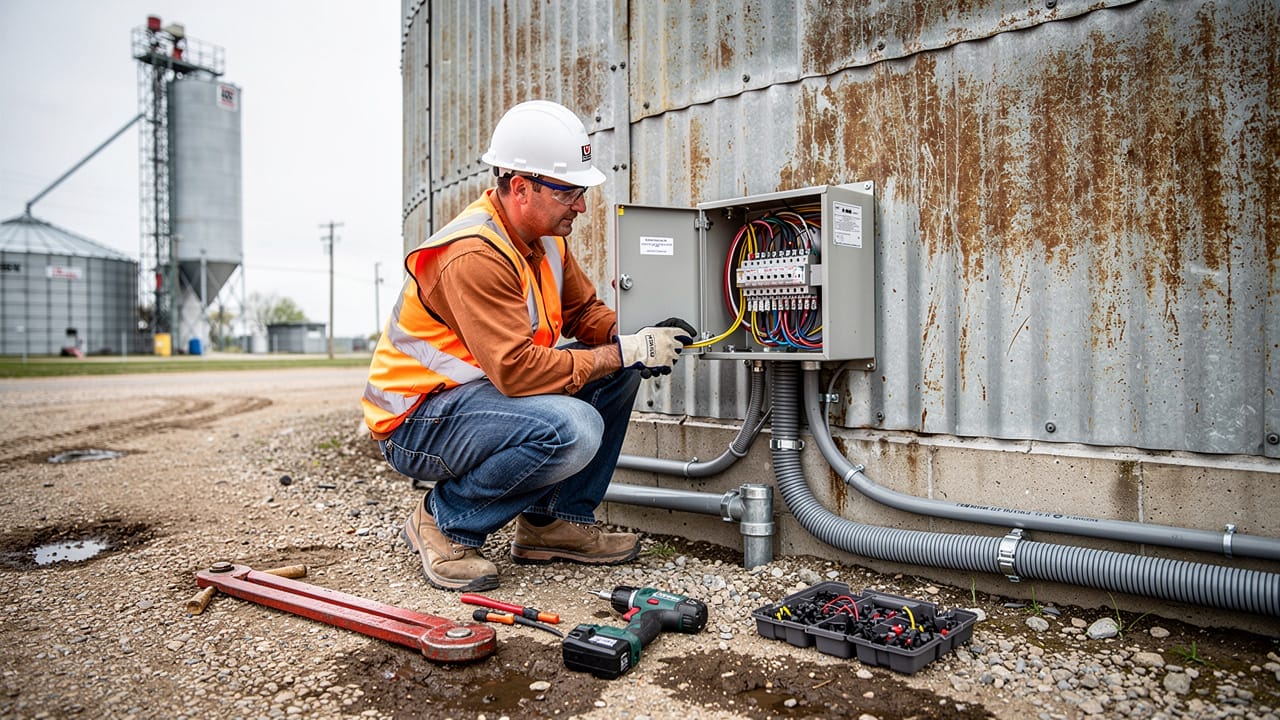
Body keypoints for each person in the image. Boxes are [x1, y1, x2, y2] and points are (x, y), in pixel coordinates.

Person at [362, 100, 695, 592]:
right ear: (520, 187)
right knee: (575, 428)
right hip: (418, 421)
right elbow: (517, 371)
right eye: (568, 191)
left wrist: (632, 340)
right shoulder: (473, 254)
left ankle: (551, 523)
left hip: (478, 401)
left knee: (619, 370)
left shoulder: (546, 238)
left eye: (580, 191)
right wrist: (626, 350)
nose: (581, 205)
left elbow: (584, 313)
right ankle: (444, 520)